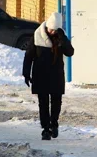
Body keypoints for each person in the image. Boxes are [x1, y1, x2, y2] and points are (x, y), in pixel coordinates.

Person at [23, 12, 75, 141]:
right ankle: (45, 129)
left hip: (56, 74)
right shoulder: (37, 36)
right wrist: (26, 73)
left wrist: (63, 39)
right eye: (50, 29)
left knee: (56, 101)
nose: (52, 32)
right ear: (47, 27)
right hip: (40, 74)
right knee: (43, 103)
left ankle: (54, 124)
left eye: (54, 30)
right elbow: (29, 55)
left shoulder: (60, 37)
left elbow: (70, 52)